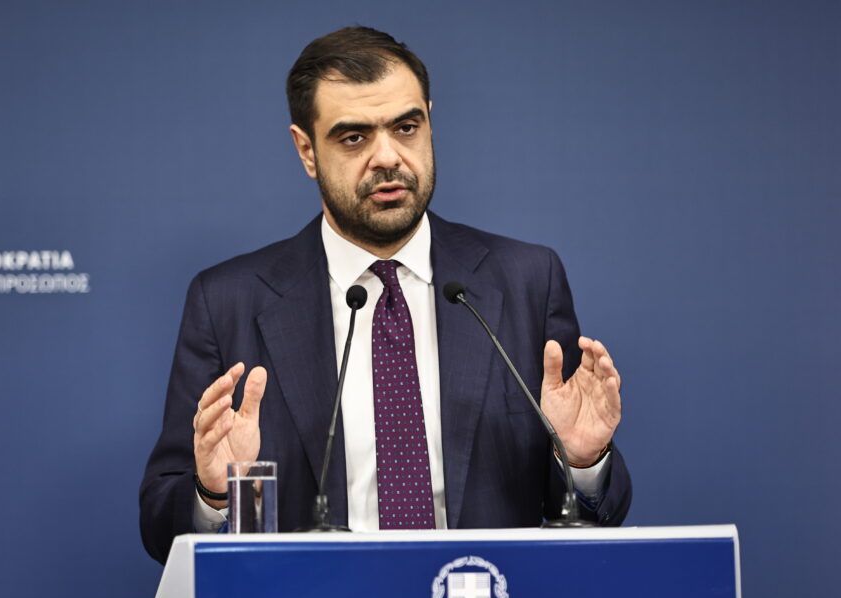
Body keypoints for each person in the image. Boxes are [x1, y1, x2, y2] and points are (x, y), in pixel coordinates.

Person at [140, 26, 630, 564]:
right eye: (354, 137)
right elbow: (162, 528)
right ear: (306, 150)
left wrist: (581, 461)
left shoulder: (526, 281)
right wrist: (215, 495)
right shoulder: (227, 302)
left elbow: (592, 514)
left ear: (429, 123)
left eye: (406, 127)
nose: (387, 157)